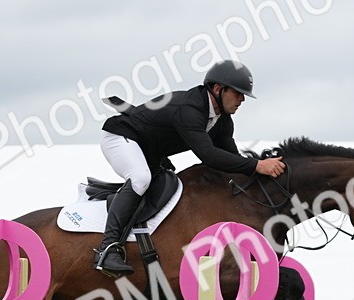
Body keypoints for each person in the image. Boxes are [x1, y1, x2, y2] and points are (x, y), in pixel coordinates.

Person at [93, 59, 287, 276]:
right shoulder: (190, 108)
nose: (242, 99)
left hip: (148, 150)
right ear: (217, 89)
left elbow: (231, 161)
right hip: (120, 137)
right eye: (238, 93)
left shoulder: (222, 121)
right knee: (140, 178)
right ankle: (107, 249)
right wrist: (258, 165)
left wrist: (264, 175)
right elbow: (209, 155)